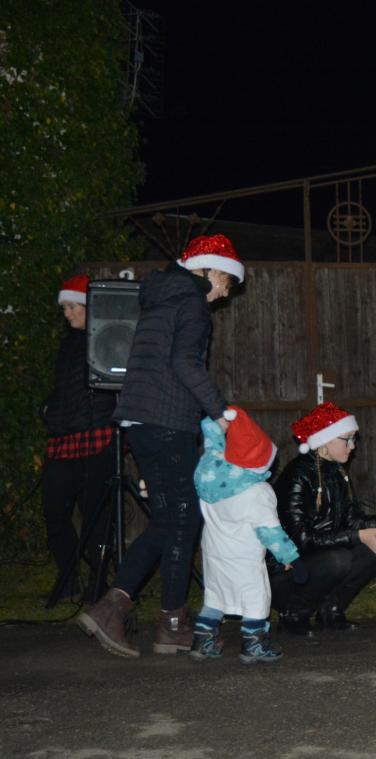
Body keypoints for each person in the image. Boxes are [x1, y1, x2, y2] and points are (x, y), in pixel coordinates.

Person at [78, 234, 244, 659]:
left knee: (171, 520)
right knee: (184, 519)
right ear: (209, 270)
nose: (225, 292)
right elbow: (184, 363)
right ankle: (159, 620)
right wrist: (219, 411)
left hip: (141, 421)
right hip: (167, 421)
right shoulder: (192, 303)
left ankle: (129, 610)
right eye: (227, 281)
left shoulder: (162, 297)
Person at [271, 402, 376, 638]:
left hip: (319, 559)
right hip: (286, 573)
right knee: (338, 559)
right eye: (347, 439)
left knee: (372, 550)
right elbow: (302, 539)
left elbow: (356, 521)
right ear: (325, 441)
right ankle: (293, 614)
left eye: (354, 439)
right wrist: (357, 535)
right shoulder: (297, 476)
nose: (353, 446)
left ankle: (331, 610)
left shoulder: (337, 472)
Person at [191, 407, 299, 663]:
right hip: (244, 557)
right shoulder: (257, 492)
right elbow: (269, 530)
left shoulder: (212, 483)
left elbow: (214, 447)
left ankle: (202, 641)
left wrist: (216, 428)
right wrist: (288, 556)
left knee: (216, 596)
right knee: (255, 597)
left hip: (215, 555)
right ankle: (254, 644)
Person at [42, 274, 115, 605]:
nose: (67, 313)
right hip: (63, 437)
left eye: (73, 307)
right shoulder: (66, 343)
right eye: (65, 308)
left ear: (89, 306)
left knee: (95, 515)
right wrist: (48, 409)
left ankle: (98, 582)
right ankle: (68, 577)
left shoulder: (108, 338)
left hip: (96, 436)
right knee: (54, 510)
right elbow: (64, 388)